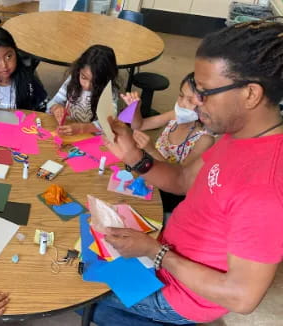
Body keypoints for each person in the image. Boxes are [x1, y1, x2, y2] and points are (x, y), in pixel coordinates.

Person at [94, 19, 283, 325]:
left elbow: (241, 296)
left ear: (250, 94)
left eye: (205, 92)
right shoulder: (237, 136)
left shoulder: (265, 189)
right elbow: (182, 181)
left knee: (78, 289)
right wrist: (132, 155)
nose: (195, 103)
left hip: (179, 292)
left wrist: (157, 253)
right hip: (165, 248)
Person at [124, 73, 215, 213]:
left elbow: (177, 178)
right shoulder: (175, 116)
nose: (181, 103)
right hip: (151, 176)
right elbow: (139, 125)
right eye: (181, 96)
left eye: (190, 101)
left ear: (206, 107)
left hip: (168, 195)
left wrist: (151, 150)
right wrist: (136, 109)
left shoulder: (204, 140)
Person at [47, 45, 119, 136]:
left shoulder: (110, 92)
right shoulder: (73, 80)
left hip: (92, 137)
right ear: (79, 70)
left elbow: (108, 122)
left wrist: (82, 128)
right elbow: (53, 102)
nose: (87, 85)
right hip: (70, 130)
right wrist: (56, 108)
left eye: (95, 82)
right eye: (83, 77)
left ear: (106, 79)